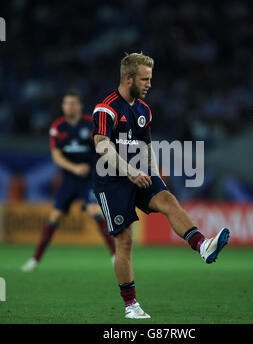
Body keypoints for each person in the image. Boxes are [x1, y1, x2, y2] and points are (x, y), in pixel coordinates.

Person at [92, 53, 230, 319]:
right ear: (129, 78)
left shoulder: (144, 110)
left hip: (139, 173)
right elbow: (101, 145)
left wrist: (155, 176)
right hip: (111, 181)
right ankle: (131, 305)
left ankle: (203, 245)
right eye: (145, 79)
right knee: (125, 241)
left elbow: (146, 147)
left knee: (168, 200)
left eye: (150, 79)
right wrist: (131, 172)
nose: (149, 84)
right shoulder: (106, 108)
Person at [22, 91, 115, 272]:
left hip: (89, 180)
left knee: (94, 211)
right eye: (66, 104)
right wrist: (75, 168)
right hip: (69, 181)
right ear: (63, 106)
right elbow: (57, 157)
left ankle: (114, 255)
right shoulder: (58, 127)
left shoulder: (91, 124)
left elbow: (103, 148)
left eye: (73, 103)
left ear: (80, 106)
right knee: (54, 218)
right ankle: (35, 260)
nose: (69, 107)